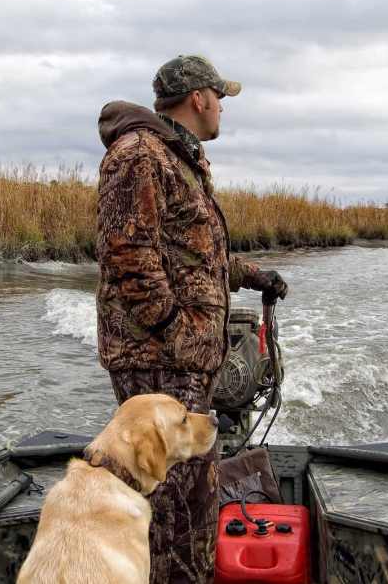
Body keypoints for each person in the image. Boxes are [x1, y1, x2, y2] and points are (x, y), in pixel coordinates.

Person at [95, 54, 288, 583]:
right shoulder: (140, 155)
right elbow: (128, 255)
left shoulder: (179, 159)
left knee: (193, 500)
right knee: (177, 509)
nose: (223, 106)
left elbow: (192, 261)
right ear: (198, 98)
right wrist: (180, 334)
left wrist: (252, 275)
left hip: (180, 360)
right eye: (219, 96)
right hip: (159, 361)